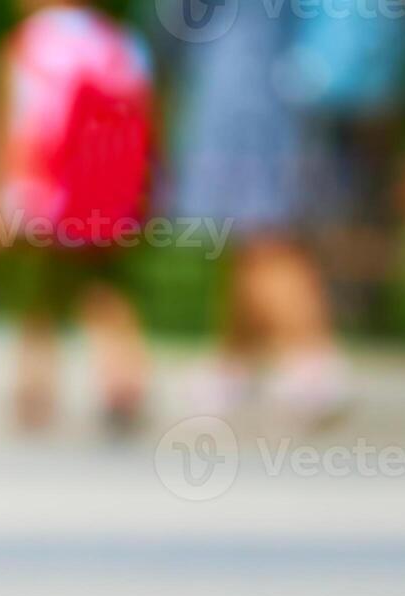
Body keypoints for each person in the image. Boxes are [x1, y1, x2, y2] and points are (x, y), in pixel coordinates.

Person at [158, 1, 356, 428]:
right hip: (291, 93)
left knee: (264, 234)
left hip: (243, 93)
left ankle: (313, 360)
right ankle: (234, 365)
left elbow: (174, 18)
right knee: (251, 234)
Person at [0, 0, 154, 433]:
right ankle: (122, 374)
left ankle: (35, 382)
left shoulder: (28, 43)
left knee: (39, 281)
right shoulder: (120, 42)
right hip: (105, 187)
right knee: (100, 280)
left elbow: (8, 123)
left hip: (43, 184)